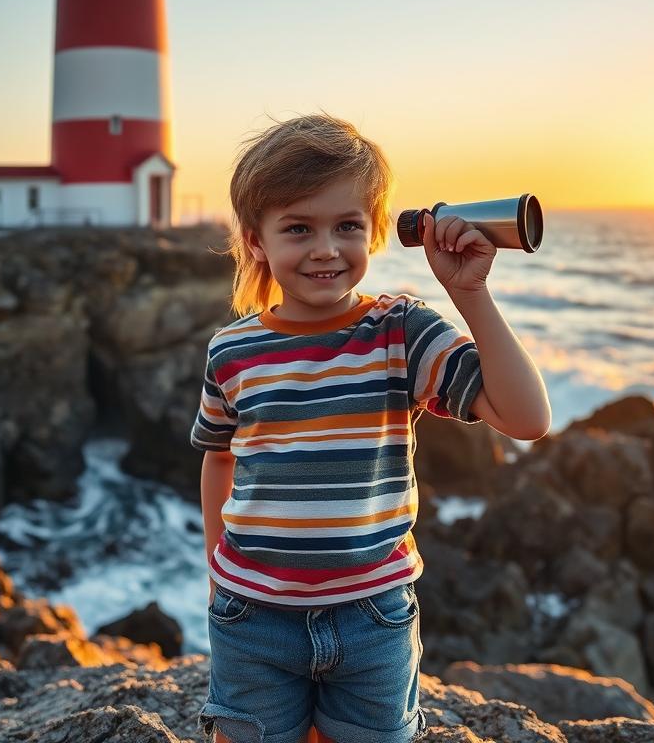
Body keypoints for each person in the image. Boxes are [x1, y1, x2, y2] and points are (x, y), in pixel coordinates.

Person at [191, 113, 551, 743]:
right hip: (253, 618)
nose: (326, 248)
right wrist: (218, 566)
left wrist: (469, 294)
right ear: (255, 240)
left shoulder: (400, 333)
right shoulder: (232, 351)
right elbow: (219, 456)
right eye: (298, 227)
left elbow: (526, 418)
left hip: (372, 618)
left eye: (347, 225)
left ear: (377, 230)